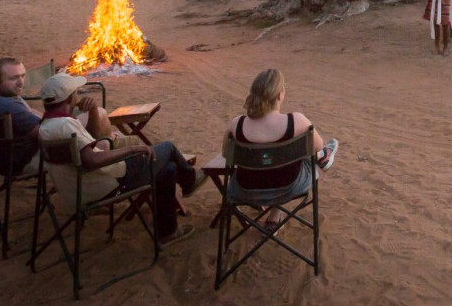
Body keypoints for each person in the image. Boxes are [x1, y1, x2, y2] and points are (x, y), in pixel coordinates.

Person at [38, 73, 201, 246]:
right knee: (168, 148)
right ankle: (190, 181)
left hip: (81, 189)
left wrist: (93, 110)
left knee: (167, 168)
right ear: (71, 97)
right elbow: (91, 160)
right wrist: (130, 149)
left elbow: (92, 139)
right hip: (110, 185)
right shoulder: (65, 125)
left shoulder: (47, 126)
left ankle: (167, 232)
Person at [222, 68, 338, 233]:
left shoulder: (236, 124)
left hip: (245, 190)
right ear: (280, 95)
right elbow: (318, 144)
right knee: (302, 152)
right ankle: (323, 157)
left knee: (272, 160)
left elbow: (226, 155)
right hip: (289, 188)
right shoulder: (297, 121)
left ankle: (274, 216)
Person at [0, 57, 121, 174]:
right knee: (100, 119)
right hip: (24, 161)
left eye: (22, 76)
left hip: (2, 158)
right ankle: (106, 164)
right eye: (14, 78)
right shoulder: (8, 107)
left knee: (99, 125)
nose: (21, 82)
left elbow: (31, 114)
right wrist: (66, 116)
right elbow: (49, 133)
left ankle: (109, 141)